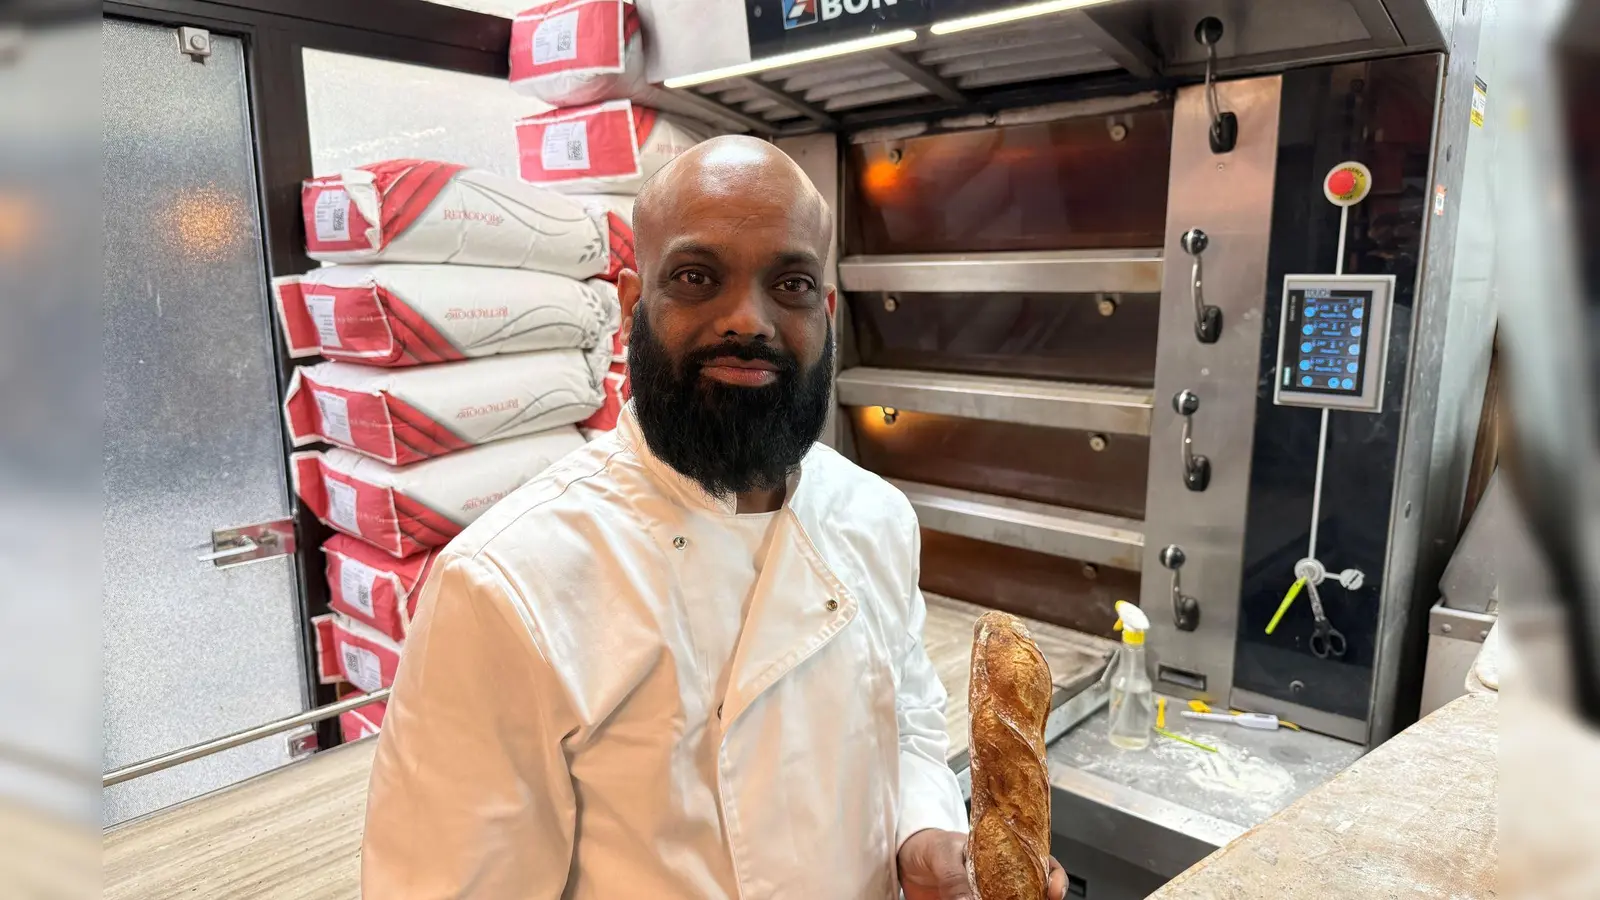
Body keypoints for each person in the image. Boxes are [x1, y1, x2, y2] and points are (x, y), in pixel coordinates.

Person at [361, 135, 1069, 899]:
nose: (749, 321)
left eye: (790, 283)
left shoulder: (876, 516)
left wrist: (921, 836)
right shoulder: (506, 587)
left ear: (825, 311)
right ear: (633, 303)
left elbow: (908, 729)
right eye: (698, 277)